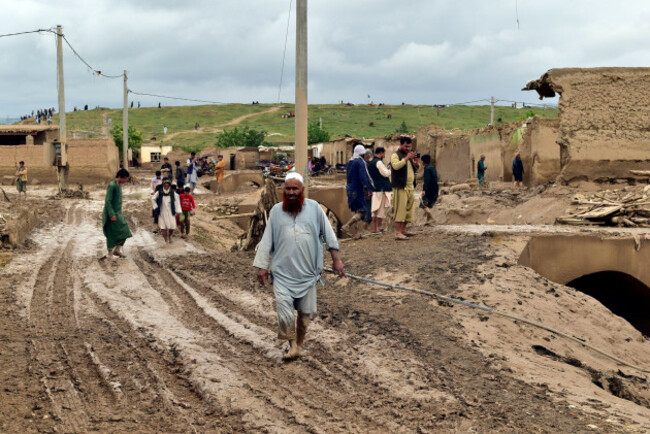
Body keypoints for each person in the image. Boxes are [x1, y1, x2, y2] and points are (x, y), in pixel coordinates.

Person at [253, 173, 345, 360]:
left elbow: (329, 234)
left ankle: (300, 344)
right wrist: (262, 266)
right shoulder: (276, 211)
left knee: (304, 316)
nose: (291, 192)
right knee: (284, 311)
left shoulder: (314, 209)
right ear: (284, 191)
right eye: (288, 189)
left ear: (302, 190)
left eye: (295, 189)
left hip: (308, 274)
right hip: (282, 274)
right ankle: (293, 345)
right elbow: (266, 240)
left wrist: (336, 260)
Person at [341, 145, 373, 240]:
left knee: (355, 211)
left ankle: (357, 233)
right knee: (363, 211)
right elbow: (363, 177)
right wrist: (368, 189)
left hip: (349, 189)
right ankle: (346, 226)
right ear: (362, 154)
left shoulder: (350, 162)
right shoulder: (360, 162)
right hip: (357, 189)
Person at [390, 136, 420, 240]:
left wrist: (416, 163)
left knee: (409, 210)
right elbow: (396, 166)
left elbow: (413, 169)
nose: (408, 148)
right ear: (401, 145)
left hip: (410, 187)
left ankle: (403, 230)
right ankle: (398, 233)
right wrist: (407, 158)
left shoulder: (408, 155)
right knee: (401, 210)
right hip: (401, 187)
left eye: (409, 146)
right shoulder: (395, 155)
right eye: (406, 146)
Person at [102, 168, 132, 260]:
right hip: (111, 213)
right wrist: (111, 214)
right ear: (120, 177)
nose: (126, 180)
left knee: (124, 230)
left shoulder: (119, 185)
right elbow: (108, 201)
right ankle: (110, 254)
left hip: (118, 213)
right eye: (125, 178)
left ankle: (117, 249)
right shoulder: (112, 186)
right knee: (111, 233)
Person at [367, 147, 392, 233]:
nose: (384, 155)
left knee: (374, 209)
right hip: (381, 188)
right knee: (380, 209)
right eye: (384, 153)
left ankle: (374, 228)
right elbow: (385, 174)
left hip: (374, 188)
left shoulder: (370, 163)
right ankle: (379, 227)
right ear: (381, 153)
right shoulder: (378, 162)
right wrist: (390, 170)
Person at [152, 179, 181, 245]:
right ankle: (166, 241)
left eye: (168, 185)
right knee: (163, 228)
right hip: (162, 212)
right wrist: (156, 207)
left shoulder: (173, 193)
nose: (166, 187)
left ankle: (170, 236)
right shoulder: (159, 192)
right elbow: (153, 199)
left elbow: (177, 201)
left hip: (171, 213)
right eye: (165, 186)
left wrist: (178, 210)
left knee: (172, 228)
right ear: (163, 185)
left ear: (169, 186)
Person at [419, 154, 439, 226]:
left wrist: (424, 189)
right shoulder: (432, 167)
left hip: (429, 188)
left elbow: (427, 180)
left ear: (423, 162)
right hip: (435, 188)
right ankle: (428, 221)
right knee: (429, 205)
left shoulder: (427, 169)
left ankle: (432, 218)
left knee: (423, 204)